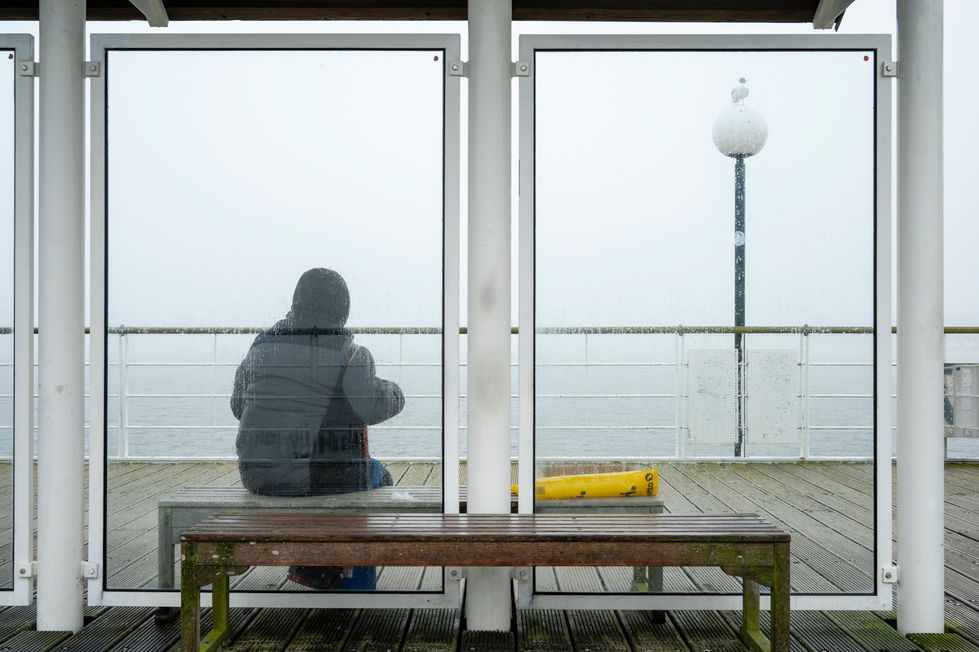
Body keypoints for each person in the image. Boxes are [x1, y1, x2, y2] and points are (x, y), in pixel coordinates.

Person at [231, 268, 405, 590]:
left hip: (256, 474)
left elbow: (238, 407)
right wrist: (394, 391)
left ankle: (312, 564)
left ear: (296, 302)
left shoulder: (261, 348)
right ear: (343, 309)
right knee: (377, 476)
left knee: (325, 476)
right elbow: (371, 406)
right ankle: (335, 573)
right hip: (314, 476)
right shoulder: (351, 353)